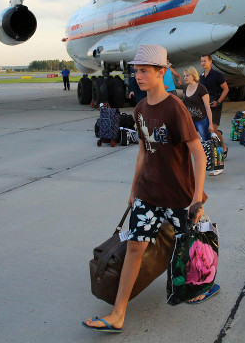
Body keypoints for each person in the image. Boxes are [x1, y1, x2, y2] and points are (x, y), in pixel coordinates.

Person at [82, 45, 216, 333]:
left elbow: (199, 154)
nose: (138, 75)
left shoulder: (175, 108)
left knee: (188, 247)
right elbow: (143, 152)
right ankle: (118, 313)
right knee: (134, 247)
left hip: (179, 196)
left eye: (144, 71)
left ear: (161, 73)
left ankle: (206, 282)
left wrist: (196, 197)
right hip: (148, 193)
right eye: (136, 70)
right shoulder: (140, 108)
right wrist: (133, 190)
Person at [200, 54, 229, 159]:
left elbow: (226, 89)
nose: (203, 63)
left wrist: (218, 101)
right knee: (209, 129)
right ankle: (213, 150)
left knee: (213, 129)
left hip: (216, 104)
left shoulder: (217, 75)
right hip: (206, 106)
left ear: (210, 61)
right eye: (201, 61)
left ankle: (223, 147)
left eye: (205, 61)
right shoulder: (201, 76)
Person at [181, 66, 214, 142]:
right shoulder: (185, 89)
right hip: (190, 121)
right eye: (184, 76)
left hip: (201, 120)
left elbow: (207, 107)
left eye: (187, 75)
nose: (185, 78)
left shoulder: (201, 88)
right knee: (192, 142)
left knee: (206, 142)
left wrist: (211, 124)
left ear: (193, 76)